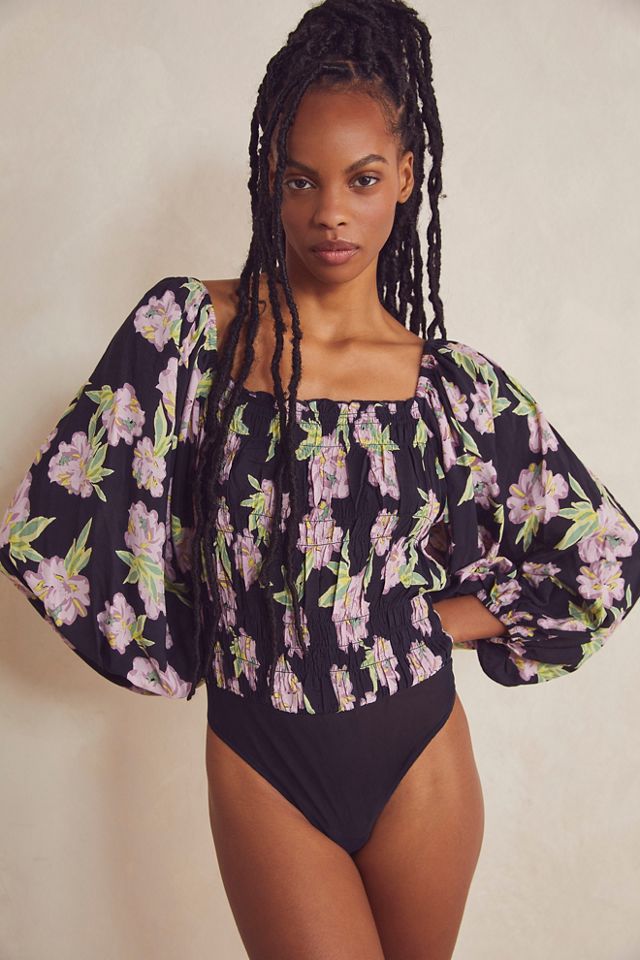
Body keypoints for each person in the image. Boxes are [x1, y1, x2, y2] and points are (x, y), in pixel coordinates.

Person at [1, 1, 639, 958]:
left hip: (420, 756)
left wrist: (434, 623)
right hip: (263, 757)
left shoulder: (450, 387)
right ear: (271, 177)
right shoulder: (191, 336)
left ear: (406, 180)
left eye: (362, 179)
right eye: (301, 179)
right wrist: (203, 626)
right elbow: (54, 518)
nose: (330, 211)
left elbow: (604, 554)